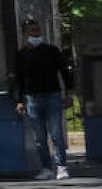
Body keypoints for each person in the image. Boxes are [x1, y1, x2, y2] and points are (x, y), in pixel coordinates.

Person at [11, 17, 74, 180]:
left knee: (56, 133)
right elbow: (18, 79)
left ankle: (61, 166)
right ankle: (46, 167)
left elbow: (65, 72)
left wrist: (69, 93)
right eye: (32, 31)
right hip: (32, 98)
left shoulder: (51, 51)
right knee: (39, 137)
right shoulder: (21, 55)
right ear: (25, 34)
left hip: (52, 95)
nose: (36, 34)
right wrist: (18, 100)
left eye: (37, 30)